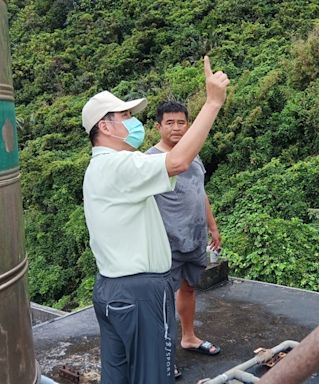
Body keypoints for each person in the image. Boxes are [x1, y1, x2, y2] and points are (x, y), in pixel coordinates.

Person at [81, 56, 229, 384]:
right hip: (141, 292)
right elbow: (176, 161)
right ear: (104, 126)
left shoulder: (103, 168)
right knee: (153, 376)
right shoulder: (120, 167)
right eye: (125, 116)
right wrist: (213, 102)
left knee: (118, 376)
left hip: (111, 289)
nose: (133, 123)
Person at [146, 101, 222, 369]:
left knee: (189, 288)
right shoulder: (150, 160)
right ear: (158, 126)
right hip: (166, 244)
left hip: (195, 239)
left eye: (181, 122)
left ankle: (188, 338)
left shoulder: (193, 155)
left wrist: (212, 227)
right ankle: (163, 355)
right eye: (170, 122)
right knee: (162, 300)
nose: (176, 127)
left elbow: (200, 192)